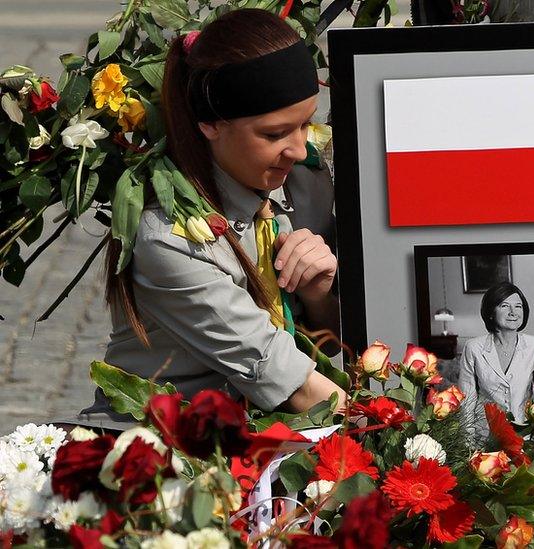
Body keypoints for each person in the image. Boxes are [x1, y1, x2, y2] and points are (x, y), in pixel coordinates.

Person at [78, 9, 346, 427]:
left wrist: (317, 295)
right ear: (210, 125)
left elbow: (319, 349)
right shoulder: (169, 236)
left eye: (305, 124)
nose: (297, 149)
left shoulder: (285, 183)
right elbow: (289, 380)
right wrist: (403, 437)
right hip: (164, 455)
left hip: (261, 436)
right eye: (274, 134)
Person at [458, 282, 534, 431]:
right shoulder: (474, 348)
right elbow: (466, 402)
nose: (513, 312)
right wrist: (469, 447)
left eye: (518, 306)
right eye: (504, 306)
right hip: (485, 438)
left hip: (525, 438)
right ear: (490, 312)